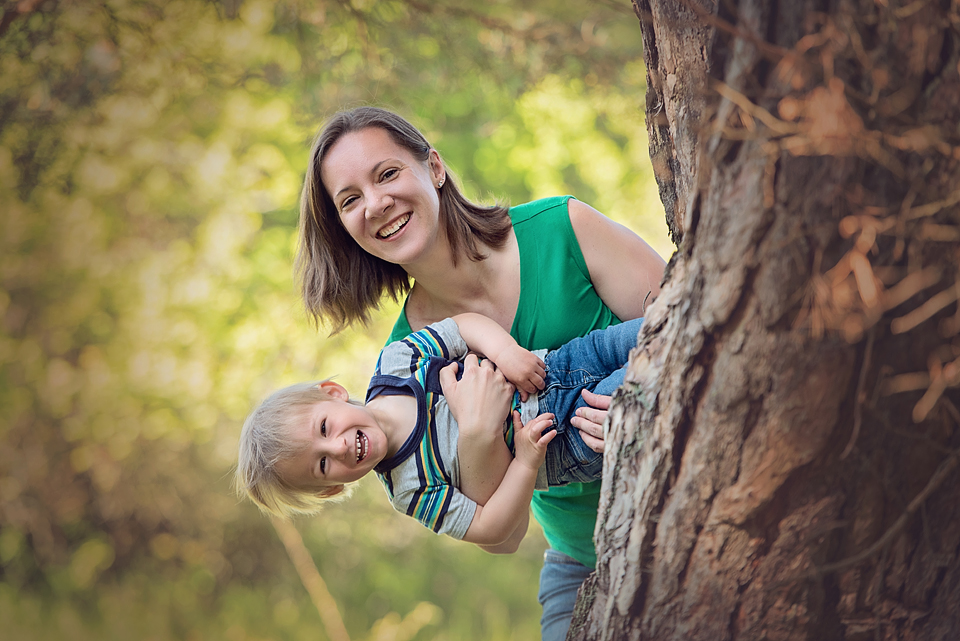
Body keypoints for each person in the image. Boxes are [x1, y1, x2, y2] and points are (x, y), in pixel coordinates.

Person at [295, 106, 665, 640]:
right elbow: (502, 535)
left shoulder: (563, 229)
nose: (376, 204)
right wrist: (475, 435)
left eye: (387, 173)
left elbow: (699, 331)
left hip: (688, 483)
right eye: (350, 200)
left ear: (435, 168)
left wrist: (646, 406)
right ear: (345, 227)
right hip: (587, 560)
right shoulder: (407, 358)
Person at [235, 314, 645, 544]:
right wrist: (524, 462)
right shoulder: (410, 489)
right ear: (332, 489)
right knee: (655, 380)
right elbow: (491, 527)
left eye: (324, 428)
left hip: (562, 363)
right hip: (565, 439)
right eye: (322, 464)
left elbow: (463, 327)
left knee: (662, 324)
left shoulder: (398, 362)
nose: (339, 447)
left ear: (333, 392)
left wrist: (505, 352)